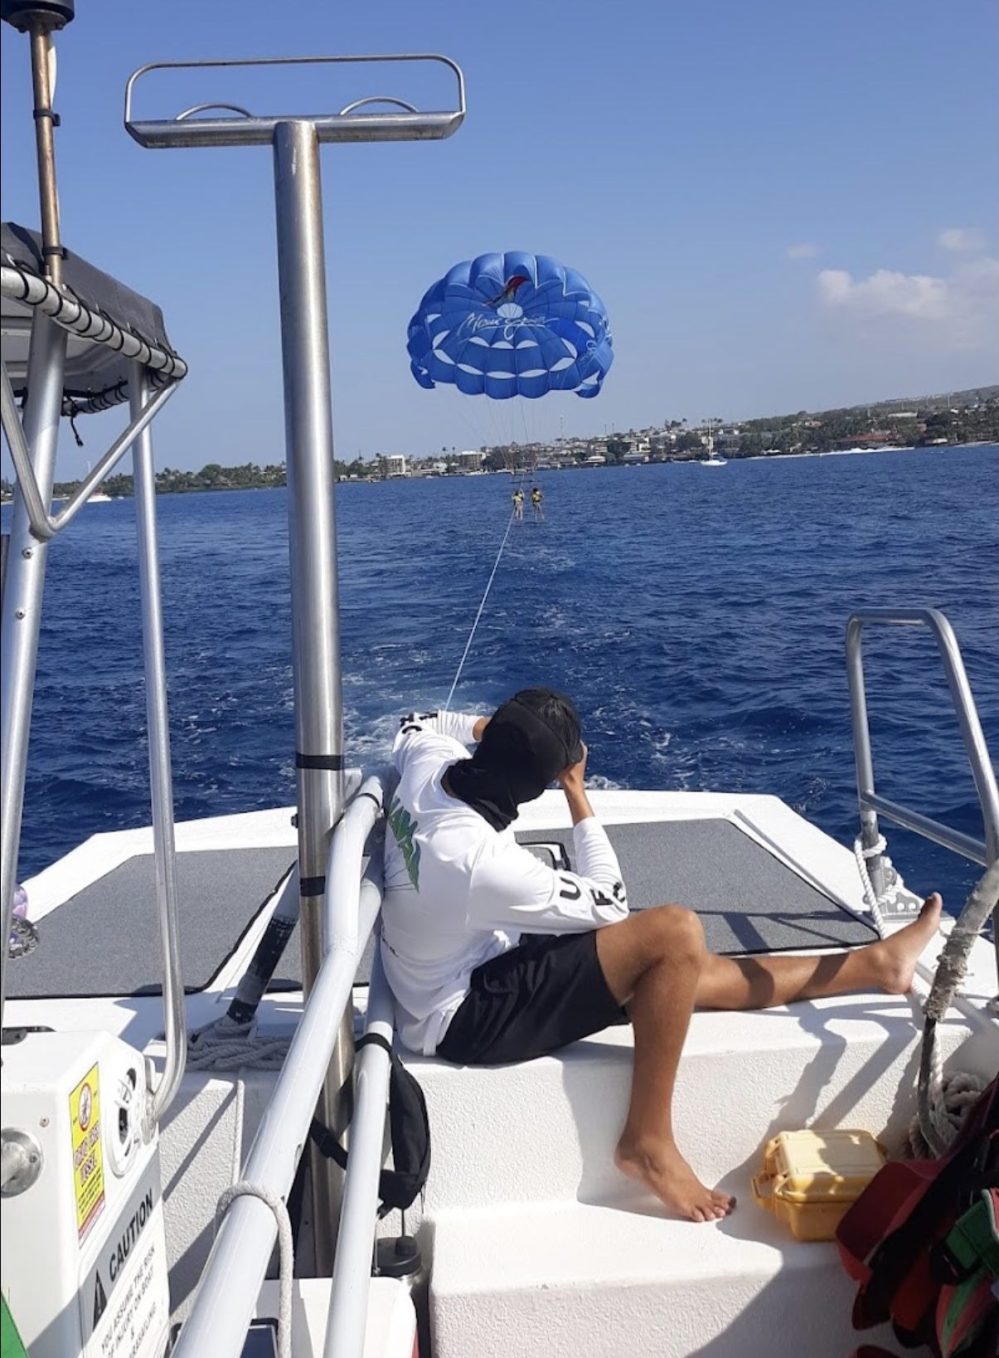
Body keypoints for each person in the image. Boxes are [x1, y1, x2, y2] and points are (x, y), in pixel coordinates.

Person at [380, 689, 943, 1223]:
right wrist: (577, 790)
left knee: (679, 972)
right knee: (673, 934)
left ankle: (875, 966)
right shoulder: (478, 862)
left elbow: (421, 720)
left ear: (489, 743)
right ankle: (647, 1143)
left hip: (455, 966)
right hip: (461, 1015)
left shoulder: (428, 764)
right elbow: (611, 903)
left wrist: (503, 734)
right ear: (539, 785)